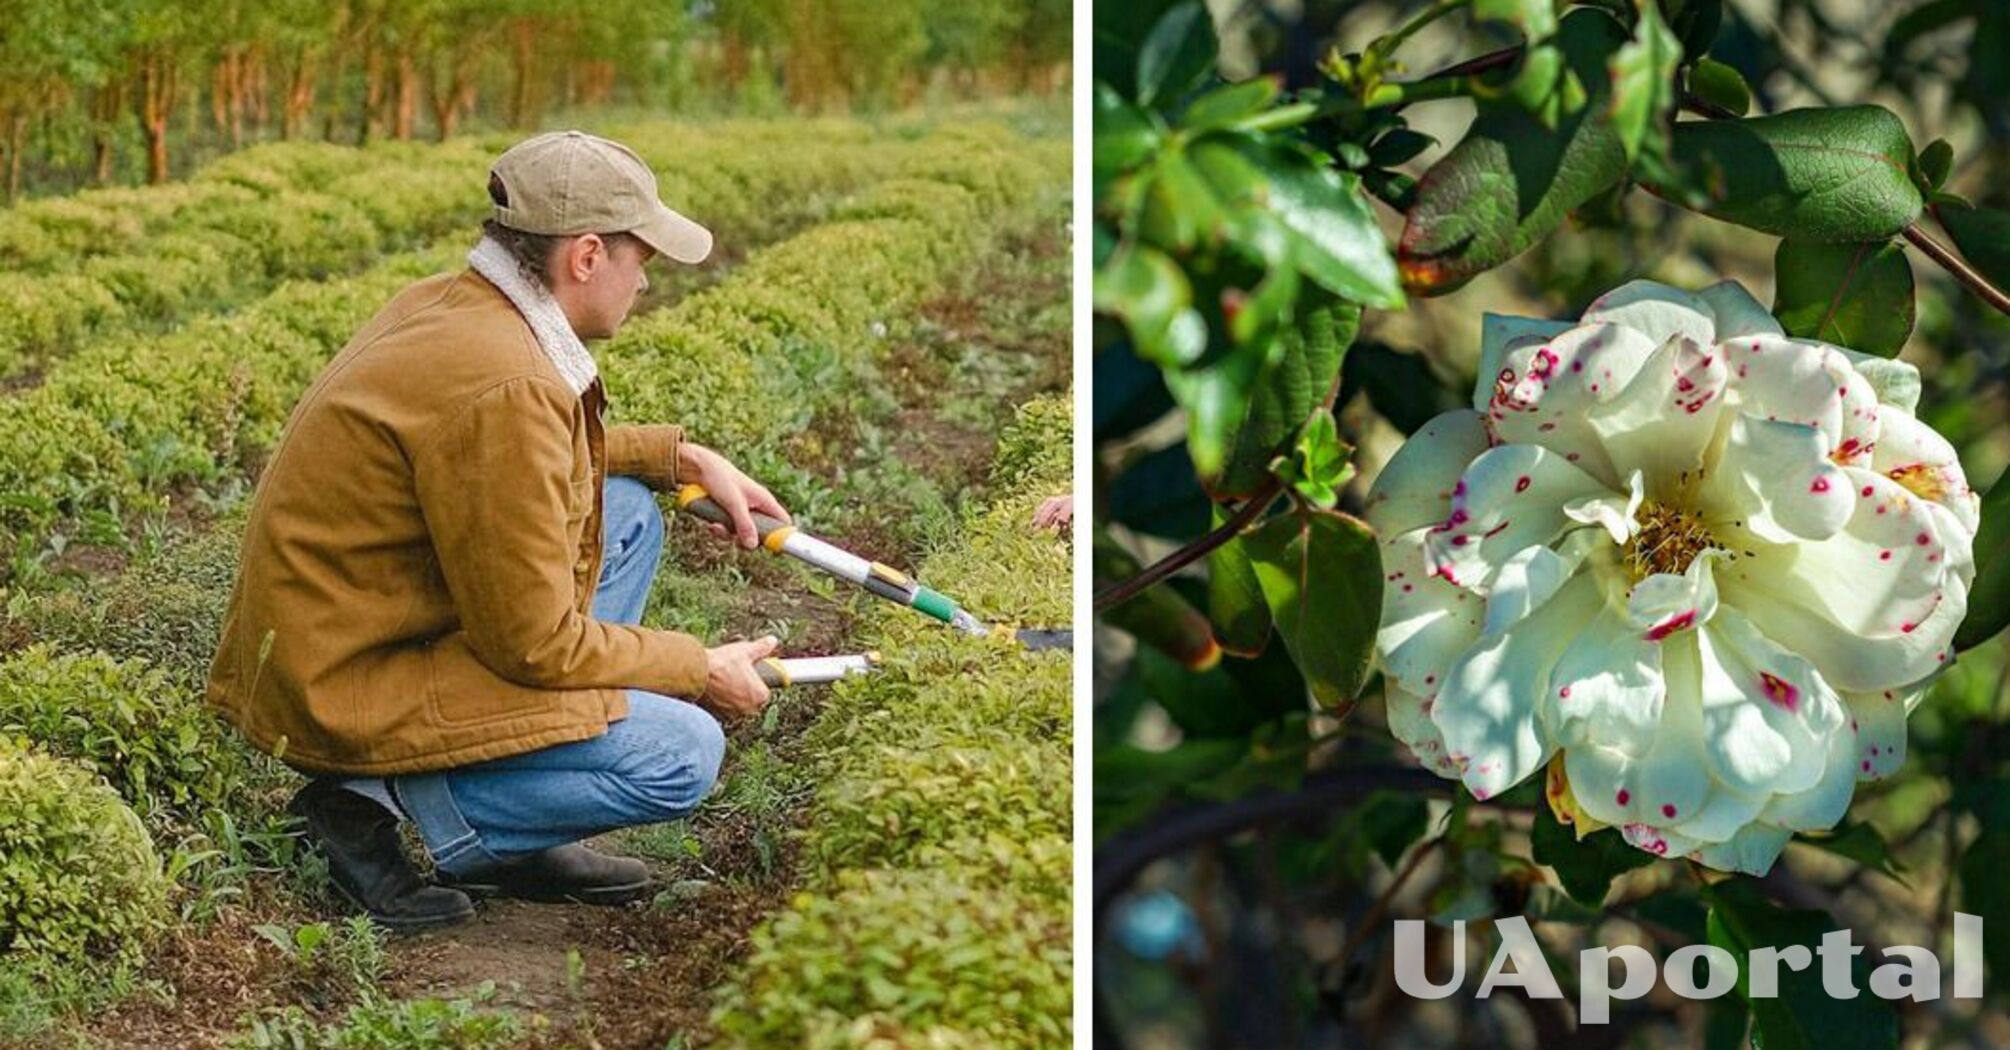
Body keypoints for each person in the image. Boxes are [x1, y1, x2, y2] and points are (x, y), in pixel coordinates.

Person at [206, 131, 790, 930]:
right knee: (681, 752)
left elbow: (509, 455)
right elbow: (536, 644)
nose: (646, 281)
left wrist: (678, 455)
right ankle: (363, 807)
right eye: (641, 257)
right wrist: (695, 666)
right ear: (586, 257)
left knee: (620, 512)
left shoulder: (458, 306)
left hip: (354, 631)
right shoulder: (506, 380)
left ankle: (508, 814)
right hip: (347, 682)